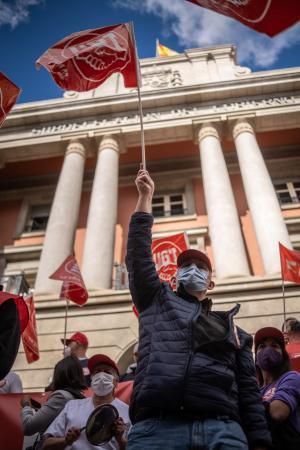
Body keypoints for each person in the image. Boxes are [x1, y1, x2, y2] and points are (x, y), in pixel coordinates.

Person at [125, 168, 271, 450]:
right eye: (186, 267)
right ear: (173, 277)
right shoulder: (157, 300)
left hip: (222, 429)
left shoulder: (234, 330)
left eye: (201, 267)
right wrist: (145, 198)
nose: (193, 270)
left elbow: (249, 392)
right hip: (157, 430)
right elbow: (138, 256)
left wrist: (261, 441)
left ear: (211, 283)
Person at [42, 354, 131, 450]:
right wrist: (66, 441)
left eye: (107, 372)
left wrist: (120, 439)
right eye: (97, 371)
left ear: (116, 381)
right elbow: (46, 445)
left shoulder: (127, 412)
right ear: (92, 379)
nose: (101, 376)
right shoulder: (72, 406)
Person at [254, 326, 300, 450]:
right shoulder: (255, 390)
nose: (268, 350)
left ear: (283, 356)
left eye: (274, 346)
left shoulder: (292, 378)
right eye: (262, 346)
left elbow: (278, 413)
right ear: (256, 360)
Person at [21, 356, 86, 437]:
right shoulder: (81, 397)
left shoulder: (60, 397)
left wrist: (26, 405)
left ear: (59, 375)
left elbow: (28, 427)